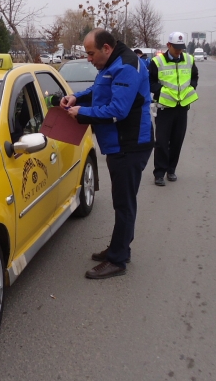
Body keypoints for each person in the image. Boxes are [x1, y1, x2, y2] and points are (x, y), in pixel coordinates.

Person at [62, 29, 153, 279]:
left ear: (106, 49)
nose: (88, 59)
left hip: (130, 144)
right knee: (121, 200)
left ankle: (118, 260)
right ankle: (119, 247)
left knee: (124, 203)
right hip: (118, 144)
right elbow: (99, 91)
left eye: (90, 54)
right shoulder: (112, 63)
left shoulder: (125, 65)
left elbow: (118, 110)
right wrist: (74, 97)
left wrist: (82, 113)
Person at [148, 31, 198, 186]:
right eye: (175, 47)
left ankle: (171, 170)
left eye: (181, 48)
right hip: (164, 107)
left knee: (177, 141)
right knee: (162, 142)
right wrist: (161, 91)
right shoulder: (157, 62)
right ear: (168, 45)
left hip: (182, 107)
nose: (178, 51)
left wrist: (191, 88)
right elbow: (150, 82)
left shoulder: (189, 59)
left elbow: (194, 77)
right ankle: (159, 173)